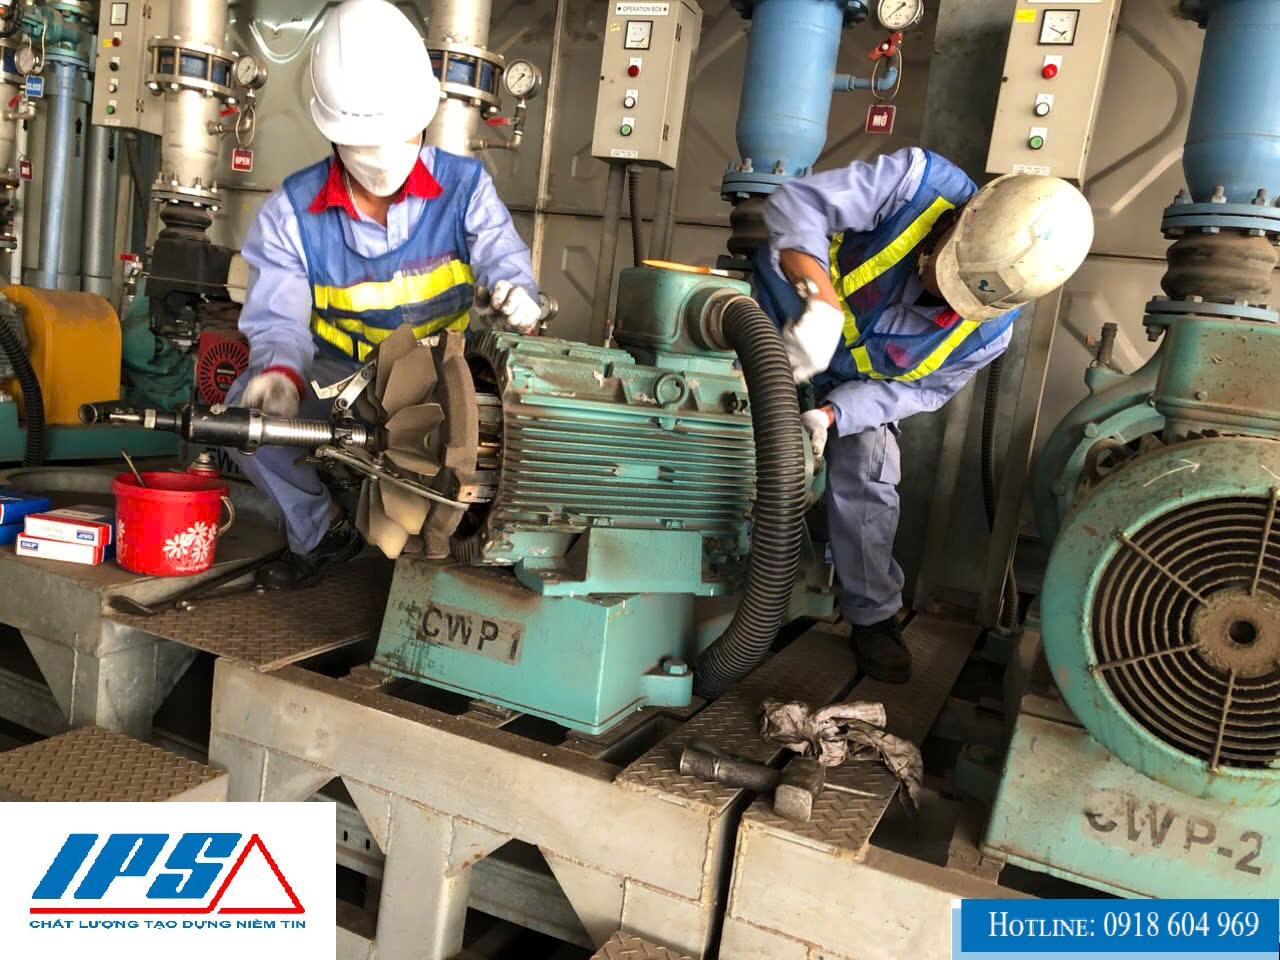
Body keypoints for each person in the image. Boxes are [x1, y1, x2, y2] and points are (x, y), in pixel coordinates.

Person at [227, 0, 540, 589]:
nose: (383, 156)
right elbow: (279, 321)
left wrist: (516, 296)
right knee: (246, 420)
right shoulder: (291, 212)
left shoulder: (465, 189)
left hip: (444, 390)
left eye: (399, 135)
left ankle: (458, 551)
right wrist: (279, 374)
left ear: (423, 117)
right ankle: (324, 532)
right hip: (339, 382)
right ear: (332, 133)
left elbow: (505, 263)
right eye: (364, 143)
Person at [754, 147, 1092, 682]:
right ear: (963, 218)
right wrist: (819, 302)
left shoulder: (986, 335)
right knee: (716, 414)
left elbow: (915, 393)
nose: (941, 292)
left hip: (846, 387)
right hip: (776, 314)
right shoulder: (914, 185)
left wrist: (833, 415)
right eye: (945, 270)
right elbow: (798, 203)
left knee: (870, 471)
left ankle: (872, 617)